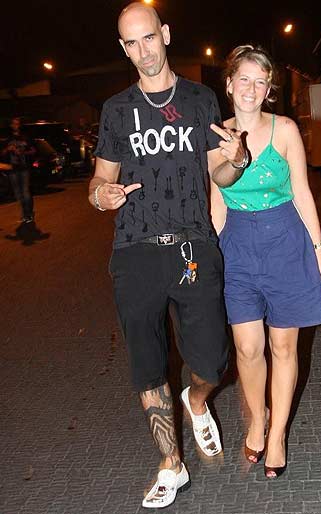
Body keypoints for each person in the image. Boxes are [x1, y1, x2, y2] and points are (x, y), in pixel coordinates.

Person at [88, 2, 229, 508]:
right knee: (148, 366)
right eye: (131, 43)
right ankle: (172, 464)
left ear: (165, 34)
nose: (143, 51)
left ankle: (197, 401)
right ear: (123, 48)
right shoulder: (115, 110)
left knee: (213, 361)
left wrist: (235, 161)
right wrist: (100, 196)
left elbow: (219, 172)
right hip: (136, 252)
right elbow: (99, 179)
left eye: (148, 37)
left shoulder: (200, 99)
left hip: (193, 246)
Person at [209, 45, 321, 479]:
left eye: (260, 81)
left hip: (286, 244)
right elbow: (216, 202)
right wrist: (213, 257)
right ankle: (256, 418)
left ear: (268, 90)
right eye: (243, 79)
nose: (251, 88)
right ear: (229, 84)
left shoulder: (286, 130)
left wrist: (320, 254)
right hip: (237, 246)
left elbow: (302, 193)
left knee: (283, 346)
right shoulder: (216, 135)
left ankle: (277, 433)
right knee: (247, 348)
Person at [1, 117, 36, 223]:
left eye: (17, 124)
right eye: (14, 124)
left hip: (24, 168)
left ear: (20, 125)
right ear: (11, 125)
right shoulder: (8, 139)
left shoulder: (25, 137)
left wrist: (23, 152)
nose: (16, 126)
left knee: (25, 191)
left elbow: (33, 150)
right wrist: (8, 149)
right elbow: (2, 153)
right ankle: (25, 213)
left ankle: (28, 214)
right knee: (17, 193)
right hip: (13, 168)